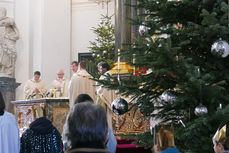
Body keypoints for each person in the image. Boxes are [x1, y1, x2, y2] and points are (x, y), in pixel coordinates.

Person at [0, 8, 19, 77]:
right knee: (2, 54)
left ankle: (8, 70)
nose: (2, 12)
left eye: (3, 11)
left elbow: (14, 26)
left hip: (9, 38)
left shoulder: (9, 19)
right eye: (1, 11)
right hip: (1, 40)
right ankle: (3, 69)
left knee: (11, 54)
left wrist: (14, 36)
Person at [96, 62, 116, 129]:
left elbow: (103, 87)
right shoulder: (108, 75)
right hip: (105, 98)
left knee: (105, 116)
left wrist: (98, 91)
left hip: (105, 98)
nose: (99, 70)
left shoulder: (107, 75)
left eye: (100, 68)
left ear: (105, 68)